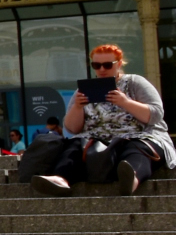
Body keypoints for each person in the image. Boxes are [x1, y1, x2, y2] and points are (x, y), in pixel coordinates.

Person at [33, 43, 173, 196]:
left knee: (137, 148)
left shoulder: (135, 82)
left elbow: (156, 114)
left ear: (119, 64)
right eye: (96, 65)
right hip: (96, 141)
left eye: (107, 65)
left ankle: (131, 178)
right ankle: (61, 179)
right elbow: (72, 128)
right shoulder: (84, 90)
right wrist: (78, 107)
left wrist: (125, 102)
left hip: (138, 135)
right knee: (74, 146)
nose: (101, 70)